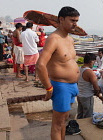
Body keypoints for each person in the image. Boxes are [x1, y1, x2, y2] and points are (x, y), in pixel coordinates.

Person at [36, 6, 80, 139]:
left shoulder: (70, 39)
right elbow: (40, 65)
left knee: (64, 122)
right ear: (61, 19)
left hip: (72, 86)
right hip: (61, 86)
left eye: (77, 21)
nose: (75, 24)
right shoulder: (53, 39)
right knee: (57, 123)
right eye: (72, 20)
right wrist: (48, 88)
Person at [77, 53, 100, 119]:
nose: (94, 64)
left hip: (80, 95)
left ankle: (78, 127)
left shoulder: (79, 68)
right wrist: (98, 94)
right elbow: (96, 87)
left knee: (80, 115)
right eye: (94, 62)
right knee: (87, 117)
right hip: (87, 96)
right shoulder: (89, 72)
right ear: (91, 61)